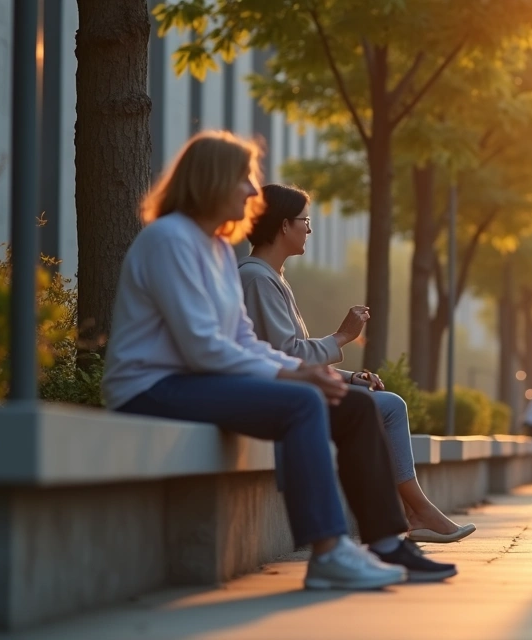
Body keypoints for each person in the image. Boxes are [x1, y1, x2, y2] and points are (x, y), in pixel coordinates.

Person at [102, 131, 431, 590]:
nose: (254, 192)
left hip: (199, 381)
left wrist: (305, 371)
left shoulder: (216, 249)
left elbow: (240, 337)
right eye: (246, 179)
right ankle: (328, 551)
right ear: (214, 180)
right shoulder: (169, 240)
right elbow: (202, 346)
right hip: (153, 387)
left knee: (355, 408)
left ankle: (388, 542)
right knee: (302, 404)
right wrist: (293, 375)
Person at [238, 183, 476, 545]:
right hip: (277, 397)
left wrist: (349, 377)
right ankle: (409, 514)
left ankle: (409, 514)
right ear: (284, 225)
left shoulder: (272, 278)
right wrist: (342, 337)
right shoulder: (257, 278)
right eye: (305, 221)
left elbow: (285, 353)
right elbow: (286, 354)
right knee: (384, 408)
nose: (310, 229)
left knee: (385, 404)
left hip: (287, 389)